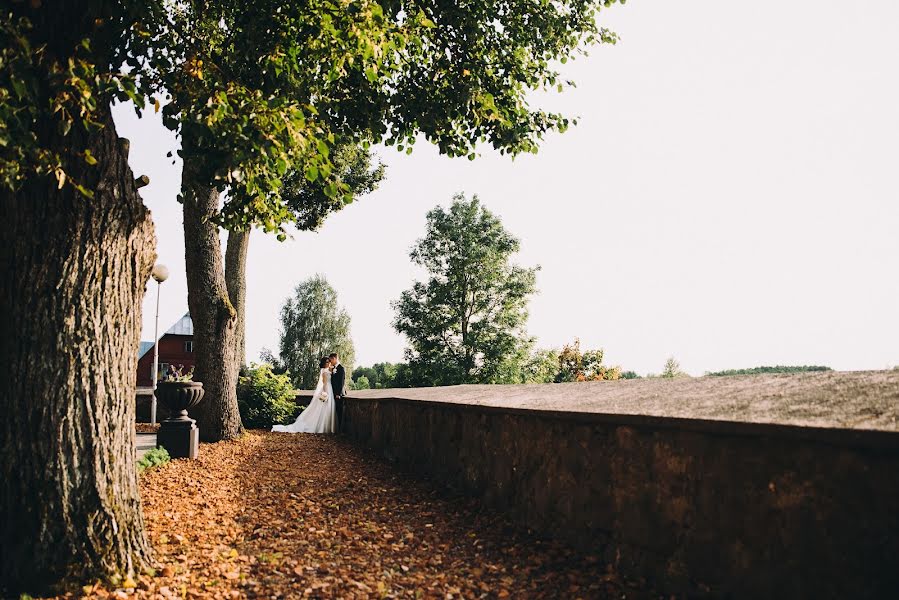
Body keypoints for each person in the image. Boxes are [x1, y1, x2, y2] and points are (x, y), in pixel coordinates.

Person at [271, 356, 336, 434]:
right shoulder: (324, 372)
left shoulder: (328, 370)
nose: (329, 363)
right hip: (327, 389)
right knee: (323, 408)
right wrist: (325, 393)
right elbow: (325, 384)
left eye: (329, 361)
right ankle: (321, 427)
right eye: (327, 362)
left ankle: (327, 427)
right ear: (324, 363)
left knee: (327, 407)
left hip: (330, 389)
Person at [330, 352, 347, 430]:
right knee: (336, 410)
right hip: (333, 393)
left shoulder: (341, 368)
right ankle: (337, 428)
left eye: (331, 360)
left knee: (339, 411)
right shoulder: (333, 368)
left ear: (334, 358)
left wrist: (338, 393)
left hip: (339, 394)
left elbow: (341, 382)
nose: (330, 362)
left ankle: (340, 429)